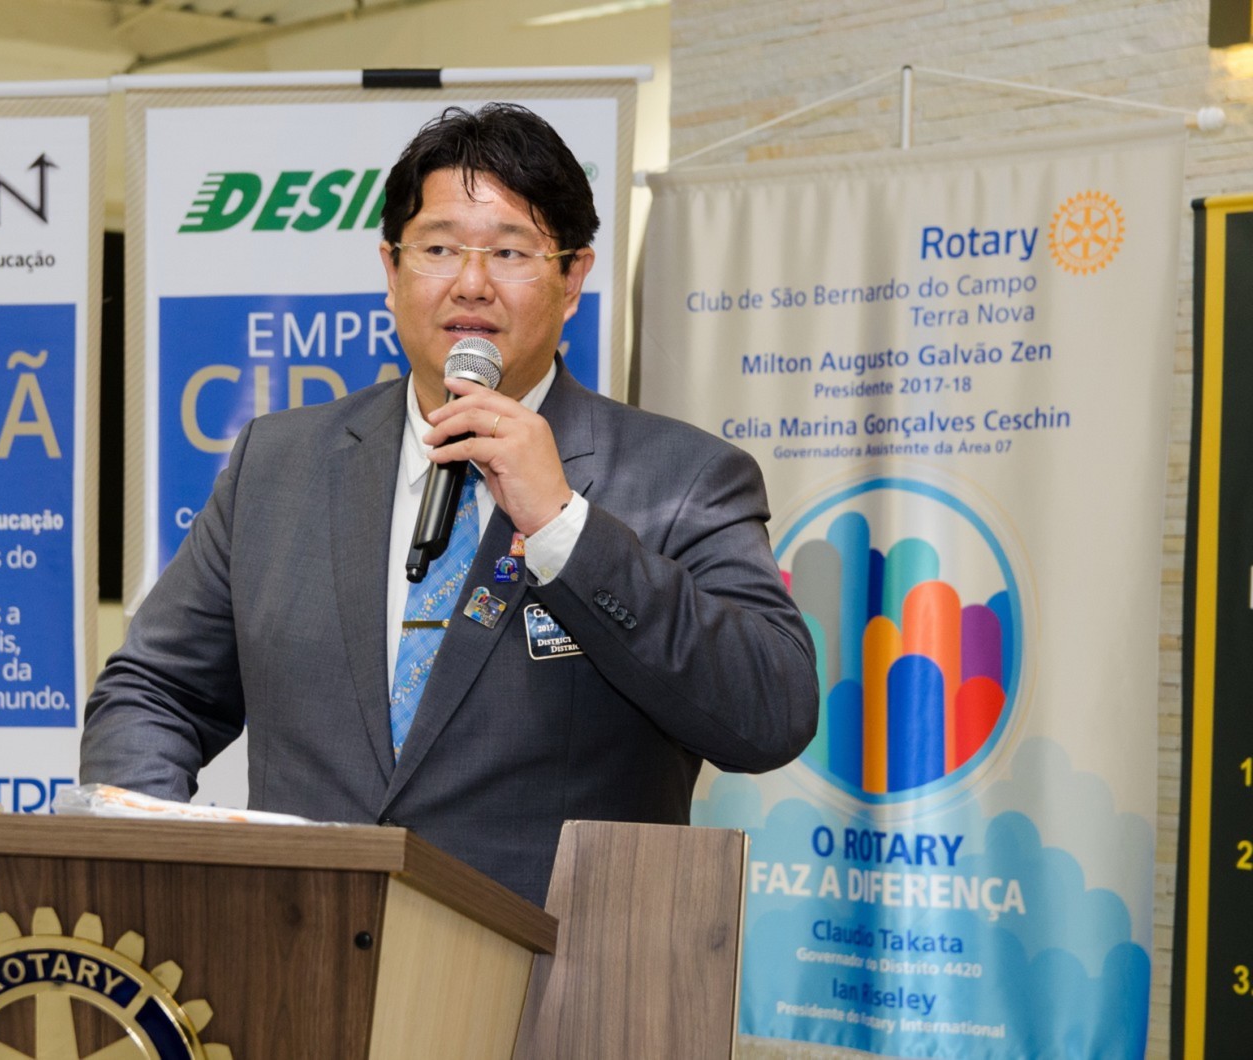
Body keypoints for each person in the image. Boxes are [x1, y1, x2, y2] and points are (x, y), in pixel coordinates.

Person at [80, 103, 818, 906]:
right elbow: (153, 691)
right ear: (392, 271)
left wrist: (564, 527)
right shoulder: (277, 463)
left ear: (573, 278)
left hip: (554, 966)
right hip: (299, 950)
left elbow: (768, 714)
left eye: (510, 251)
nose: (471, 283)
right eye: (438, 249)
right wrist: (161, 859)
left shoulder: (684, 478)